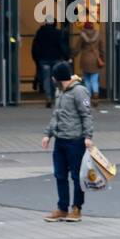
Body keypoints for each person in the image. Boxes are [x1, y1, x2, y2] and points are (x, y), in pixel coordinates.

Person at [41, 62, 94, 222]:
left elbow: (87, 115)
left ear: (59, 77)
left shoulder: (79, 91)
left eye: (54, 77)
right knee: (60, 175)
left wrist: (88, 136)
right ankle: (62, 208)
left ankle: (77, 208)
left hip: (75, 141)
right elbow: (56, 115)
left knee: (77, 176)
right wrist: (48, 134)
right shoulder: (61, 92)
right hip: (60, 140)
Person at [32, 18, 69, 107]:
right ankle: (55, 97)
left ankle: (48, 97)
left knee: (46, 79)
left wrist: (37, 58)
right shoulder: (58, 33)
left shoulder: (40, 32)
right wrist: (66, 56)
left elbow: (35, 47)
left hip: (44, 59)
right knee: (55, 79)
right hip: (56, 58)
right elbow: (62, 46)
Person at [73, 20, 104, 98]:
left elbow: (78, 48)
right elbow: (102, 49)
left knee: (86, 79)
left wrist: (73, 55)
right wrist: (102, 57)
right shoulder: (98, 35)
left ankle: (88, 95)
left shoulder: (82, 35)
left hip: (85, 59)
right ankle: (96, 93)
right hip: (95, 60)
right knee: (94, 79)